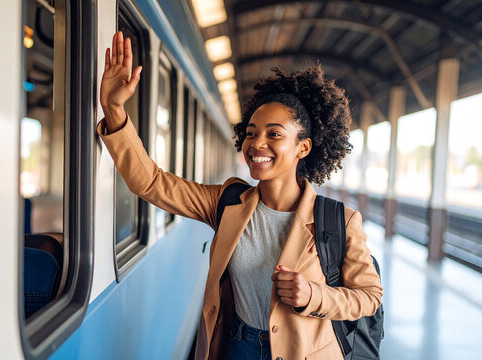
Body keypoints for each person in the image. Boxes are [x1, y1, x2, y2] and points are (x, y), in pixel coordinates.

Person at [98, 31, 383, 360]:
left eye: (274, 134)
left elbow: (369, 296)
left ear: (303, 147)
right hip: (239, 346)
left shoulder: (339, 220)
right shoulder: (228, 202)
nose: (257, 143)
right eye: (251, 133)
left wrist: (313, 295)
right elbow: (151, 183)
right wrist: (114, 108)